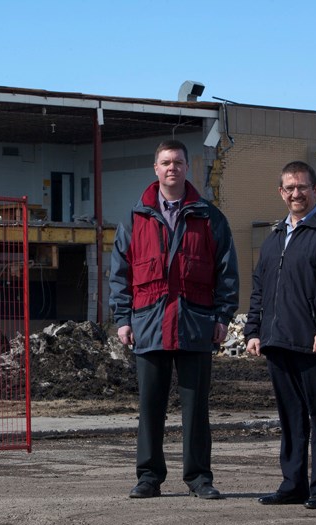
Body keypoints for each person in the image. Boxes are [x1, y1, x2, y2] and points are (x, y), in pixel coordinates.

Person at [109, 139, 239, 500]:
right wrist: (123, 319)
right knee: (150, 407)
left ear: (186, 168)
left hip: (196, 324)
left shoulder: (209, 217)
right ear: (156, 168)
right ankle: (149, 477)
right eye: (165, 162)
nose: (172, 168)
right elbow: (120, 274)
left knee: (196, 408)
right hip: (148, 324)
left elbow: (226, 272)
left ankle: (199, 478)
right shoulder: (135, 218)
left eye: (178, 162)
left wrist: (223, 316)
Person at [244, 160, 316, 510]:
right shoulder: (275, 237)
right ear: (281, 192)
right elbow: (260, 289)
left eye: (303, 187)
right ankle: (294, 484)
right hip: (277, 342)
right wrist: (253, 330)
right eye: (290, 188)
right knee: (291, 419)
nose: (297, 193)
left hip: (315, 344)